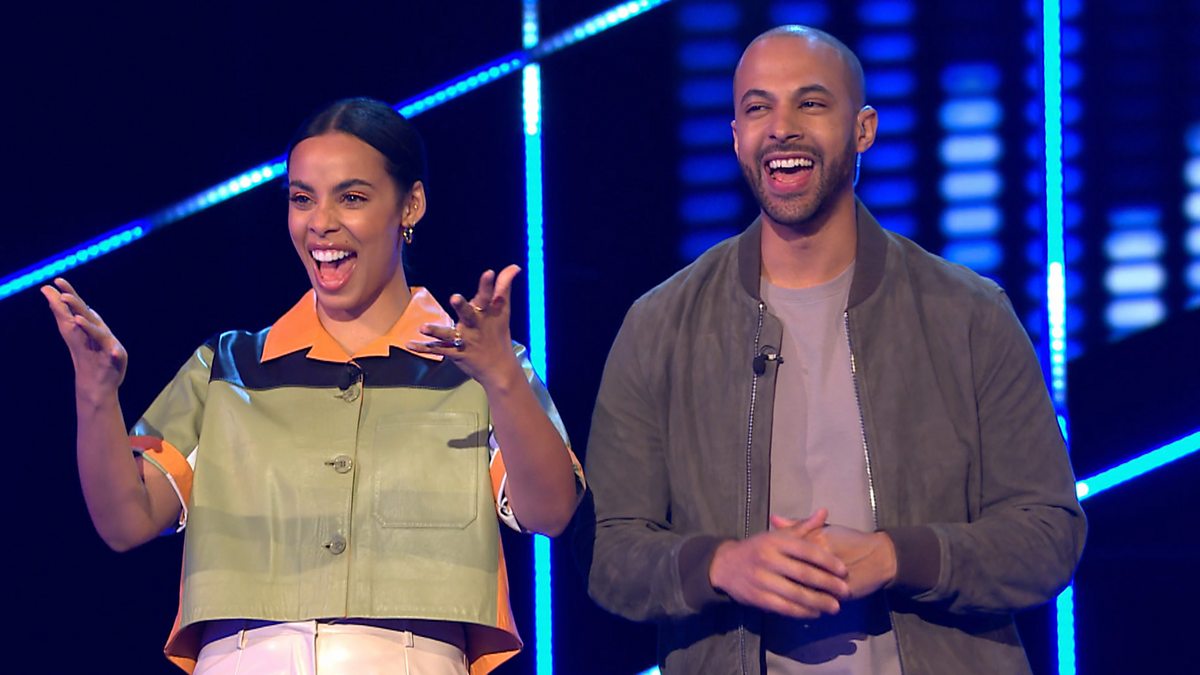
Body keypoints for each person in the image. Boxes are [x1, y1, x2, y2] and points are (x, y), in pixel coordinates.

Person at [585, 25, 1085, 674]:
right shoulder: (660, 326)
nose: (782, 128)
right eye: (758, 108)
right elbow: (610, 553)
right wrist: (720, 565)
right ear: (735, 136)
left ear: (863, 129)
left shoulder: (968, 314)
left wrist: (896, 556)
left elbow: (1048, 535)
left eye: (811, 103)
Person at [43, 97, 584, 675]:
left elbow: (552, 512)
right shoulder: (227, 368)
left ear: (411, 205)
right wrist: (96, 392)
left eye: (351, 197)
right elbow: (125, 522)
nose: (320, 221)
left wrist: (501, 379)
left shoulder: (479, 369)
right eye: (302, 198)